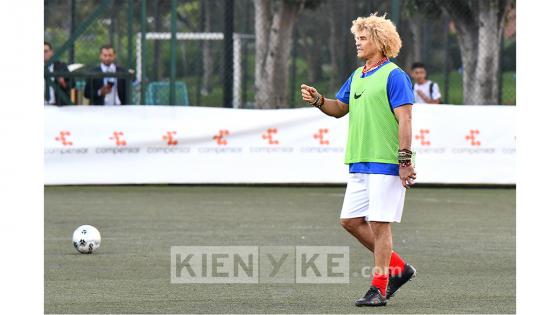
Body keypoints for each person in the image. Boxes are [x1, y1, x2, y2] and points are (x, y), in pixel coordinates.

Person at [300, 13, 416, 307]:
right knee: (350, 221)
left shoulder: (394, 75)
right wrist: (318, 100)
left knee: (379, 223)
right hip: (359, 161)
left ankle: (379, 287)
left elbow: (405, 118)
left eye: (363, 38)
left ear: (379, 41)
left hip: (386, 162)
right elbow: (339, 108)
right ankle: (399, 269)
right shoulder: (357, 75)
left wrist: (404, 160)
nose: (358, 43)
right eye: (357, 38)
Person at [44, 41, 72, 105]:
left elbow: (72, 83)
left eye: (45, 51)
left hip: (57, 105)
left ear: (51, 52)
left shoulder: (61, 66)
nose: (43, 54)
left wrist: (63, 83)